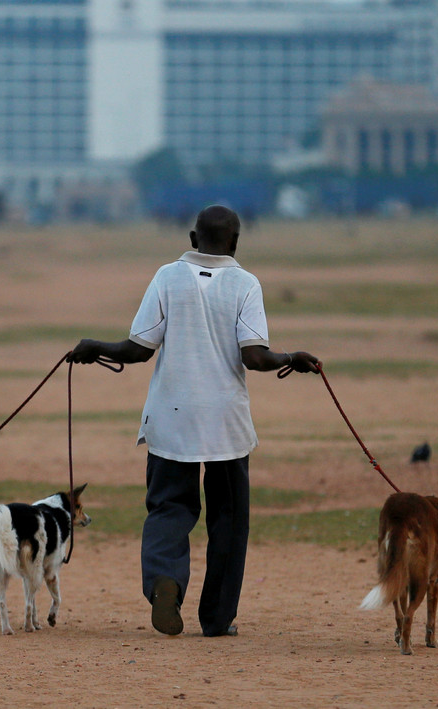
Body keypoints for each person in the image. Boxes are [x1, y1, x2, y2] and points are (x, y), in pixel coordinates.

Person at [69, 205, 320, 637]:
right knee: (228, 519)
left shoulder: (168, 276)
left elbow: (139, 349)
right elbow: (254, 356)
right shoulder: (246, 284)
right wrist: (290, 359)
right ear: (235, 242)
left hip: (171, 418)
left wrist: (95, 347)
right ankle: (217, 619)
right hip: (225, 423)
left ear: (192, 238)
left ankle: (166, 580)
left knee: (168, 508)